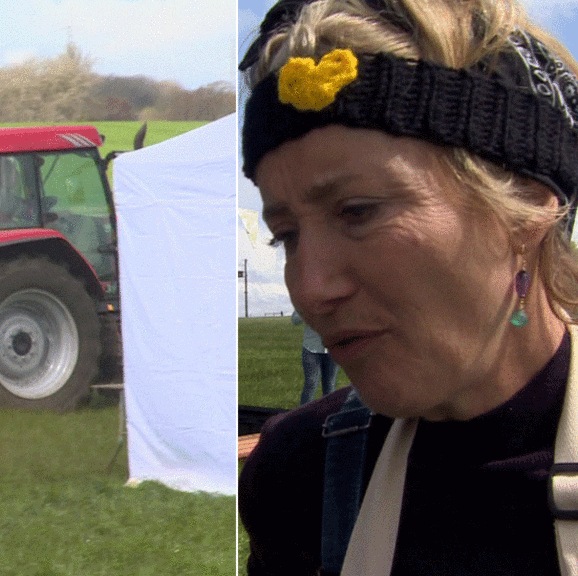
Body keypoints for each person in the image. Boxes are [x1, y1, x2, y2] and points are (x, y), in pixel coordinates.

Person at [238, 0, 578, 574]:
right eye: (285, 237)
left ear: (526, 205)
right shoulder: (298, 476)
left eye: (358, 211)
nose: (311, 288)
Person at [293, 310, 339, 404]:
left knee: (330, 385)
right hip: (311, 348)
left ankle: (328, 415)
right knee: (311, 383)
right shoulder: (308, 299)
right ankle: (303, 416)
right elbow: (295, 320)